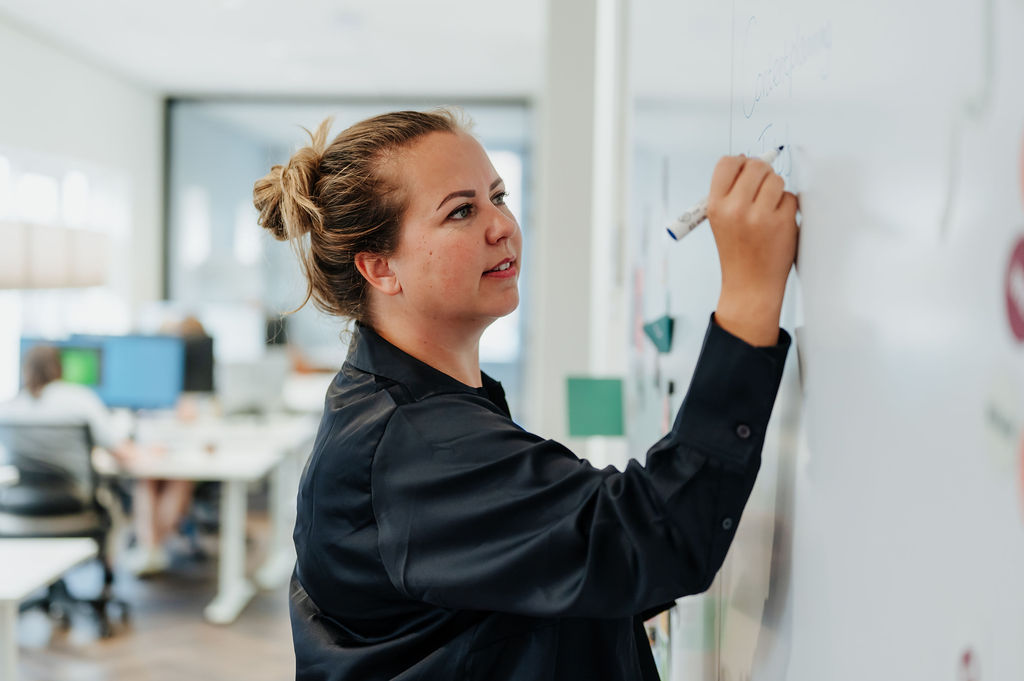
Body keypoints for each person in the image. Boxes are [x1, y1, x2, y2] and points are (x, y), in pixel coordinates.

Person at [254, 109, 797, 680]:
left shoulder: (407, 410)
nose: (502, 226)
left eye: (498, 195)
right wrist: (750, 293)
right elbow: (656, 535)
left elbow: (549, 570)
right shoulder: (418, 448)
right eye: (461, 211)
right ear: (380, 267)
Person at [7, 345, 192, 577]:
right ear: (59, 367)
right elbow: (120, 449)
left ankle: (150, 551)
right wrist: (149, 452)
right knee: (132, 492)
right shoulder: (78, 400)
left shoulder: (10, 408)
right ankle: (135, 559)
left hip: (22, 505)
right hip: (76, 500)